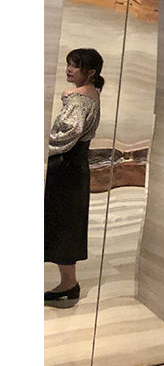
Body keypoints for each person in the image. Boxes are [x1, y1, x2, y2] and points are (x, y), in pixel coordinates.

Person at [44, 48, 104, 306]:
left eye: (76, 65)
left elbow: (65, 134)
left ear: (90, 72)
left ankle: (69, 284)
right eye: (69, 63)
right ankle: (69, 283)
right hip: (74, 166)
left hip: (66, 166)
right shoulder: (90, 93)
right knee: (66, 222)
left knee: (63, 223)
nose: (69, 69)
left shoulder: (78, 99)